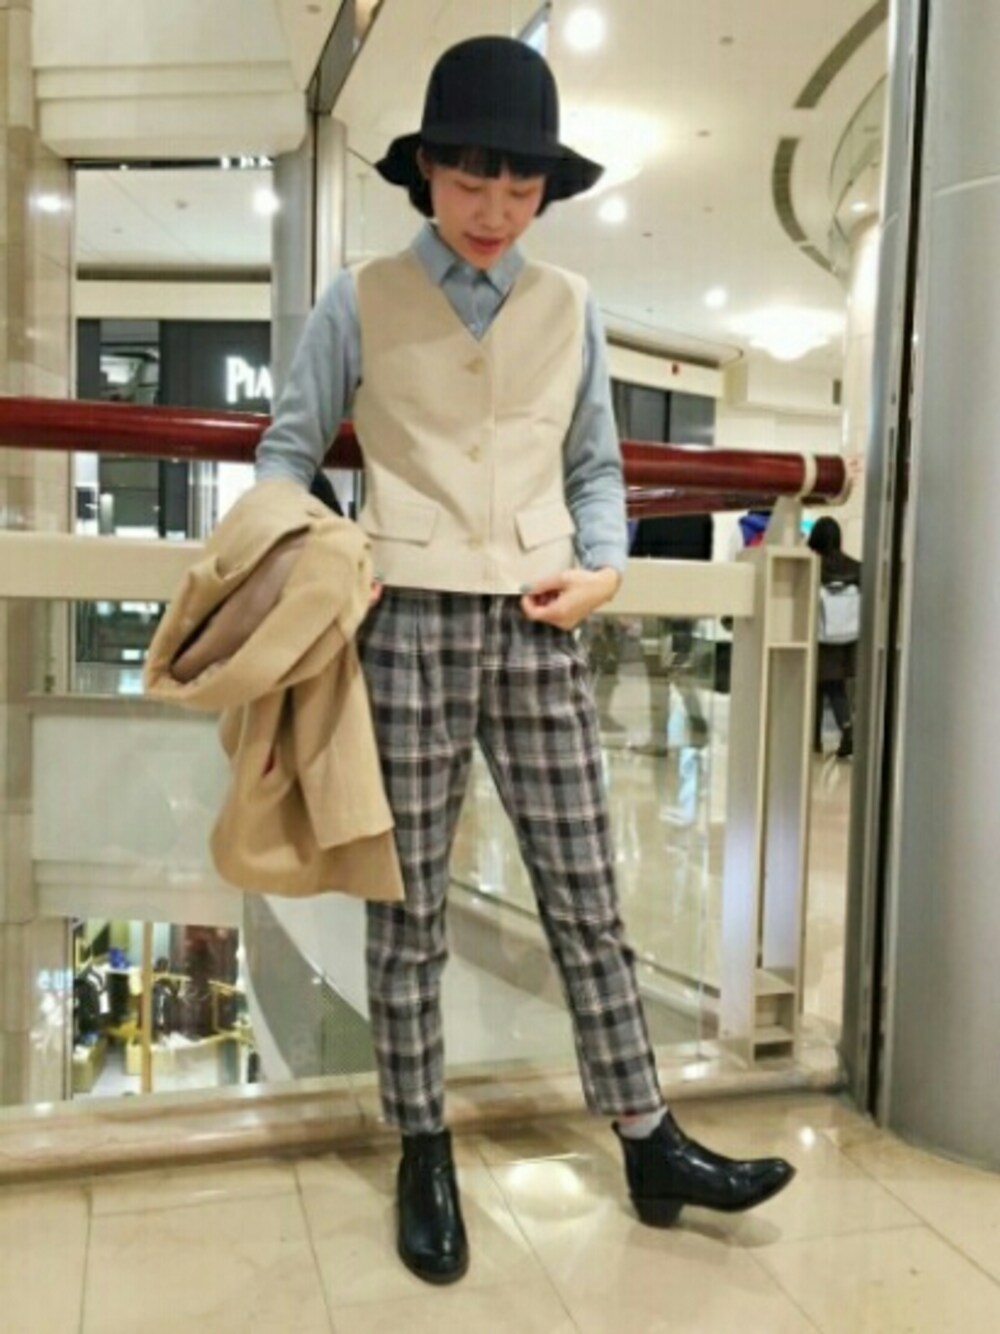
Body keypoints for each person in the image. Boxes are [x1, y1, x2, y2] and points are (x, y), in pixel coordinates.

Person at [255, 35, 794, 1285]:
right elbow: (286, 454)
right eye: (469, 180)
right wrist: (338, 550)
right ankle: (423, 1146)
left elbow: (596, 467)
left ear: (546, 188)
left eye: (520, 185)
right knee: (408, 908)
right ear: (427, 173)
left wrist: (605, 569)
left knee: (585, 890)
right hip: (404, 626)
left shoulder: (570, 306)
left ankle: (648, 1138)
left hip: (543, 623)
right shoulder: (359, 297)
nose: (494, 209)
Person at [808, 515, 861, 758]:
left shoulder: (813, 565)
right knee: (835, 685)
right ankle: (846, 729)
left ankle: (814, 740)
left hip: (819, 636)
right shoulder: (855, 567)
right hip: (846, 638)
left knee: (816, 688)